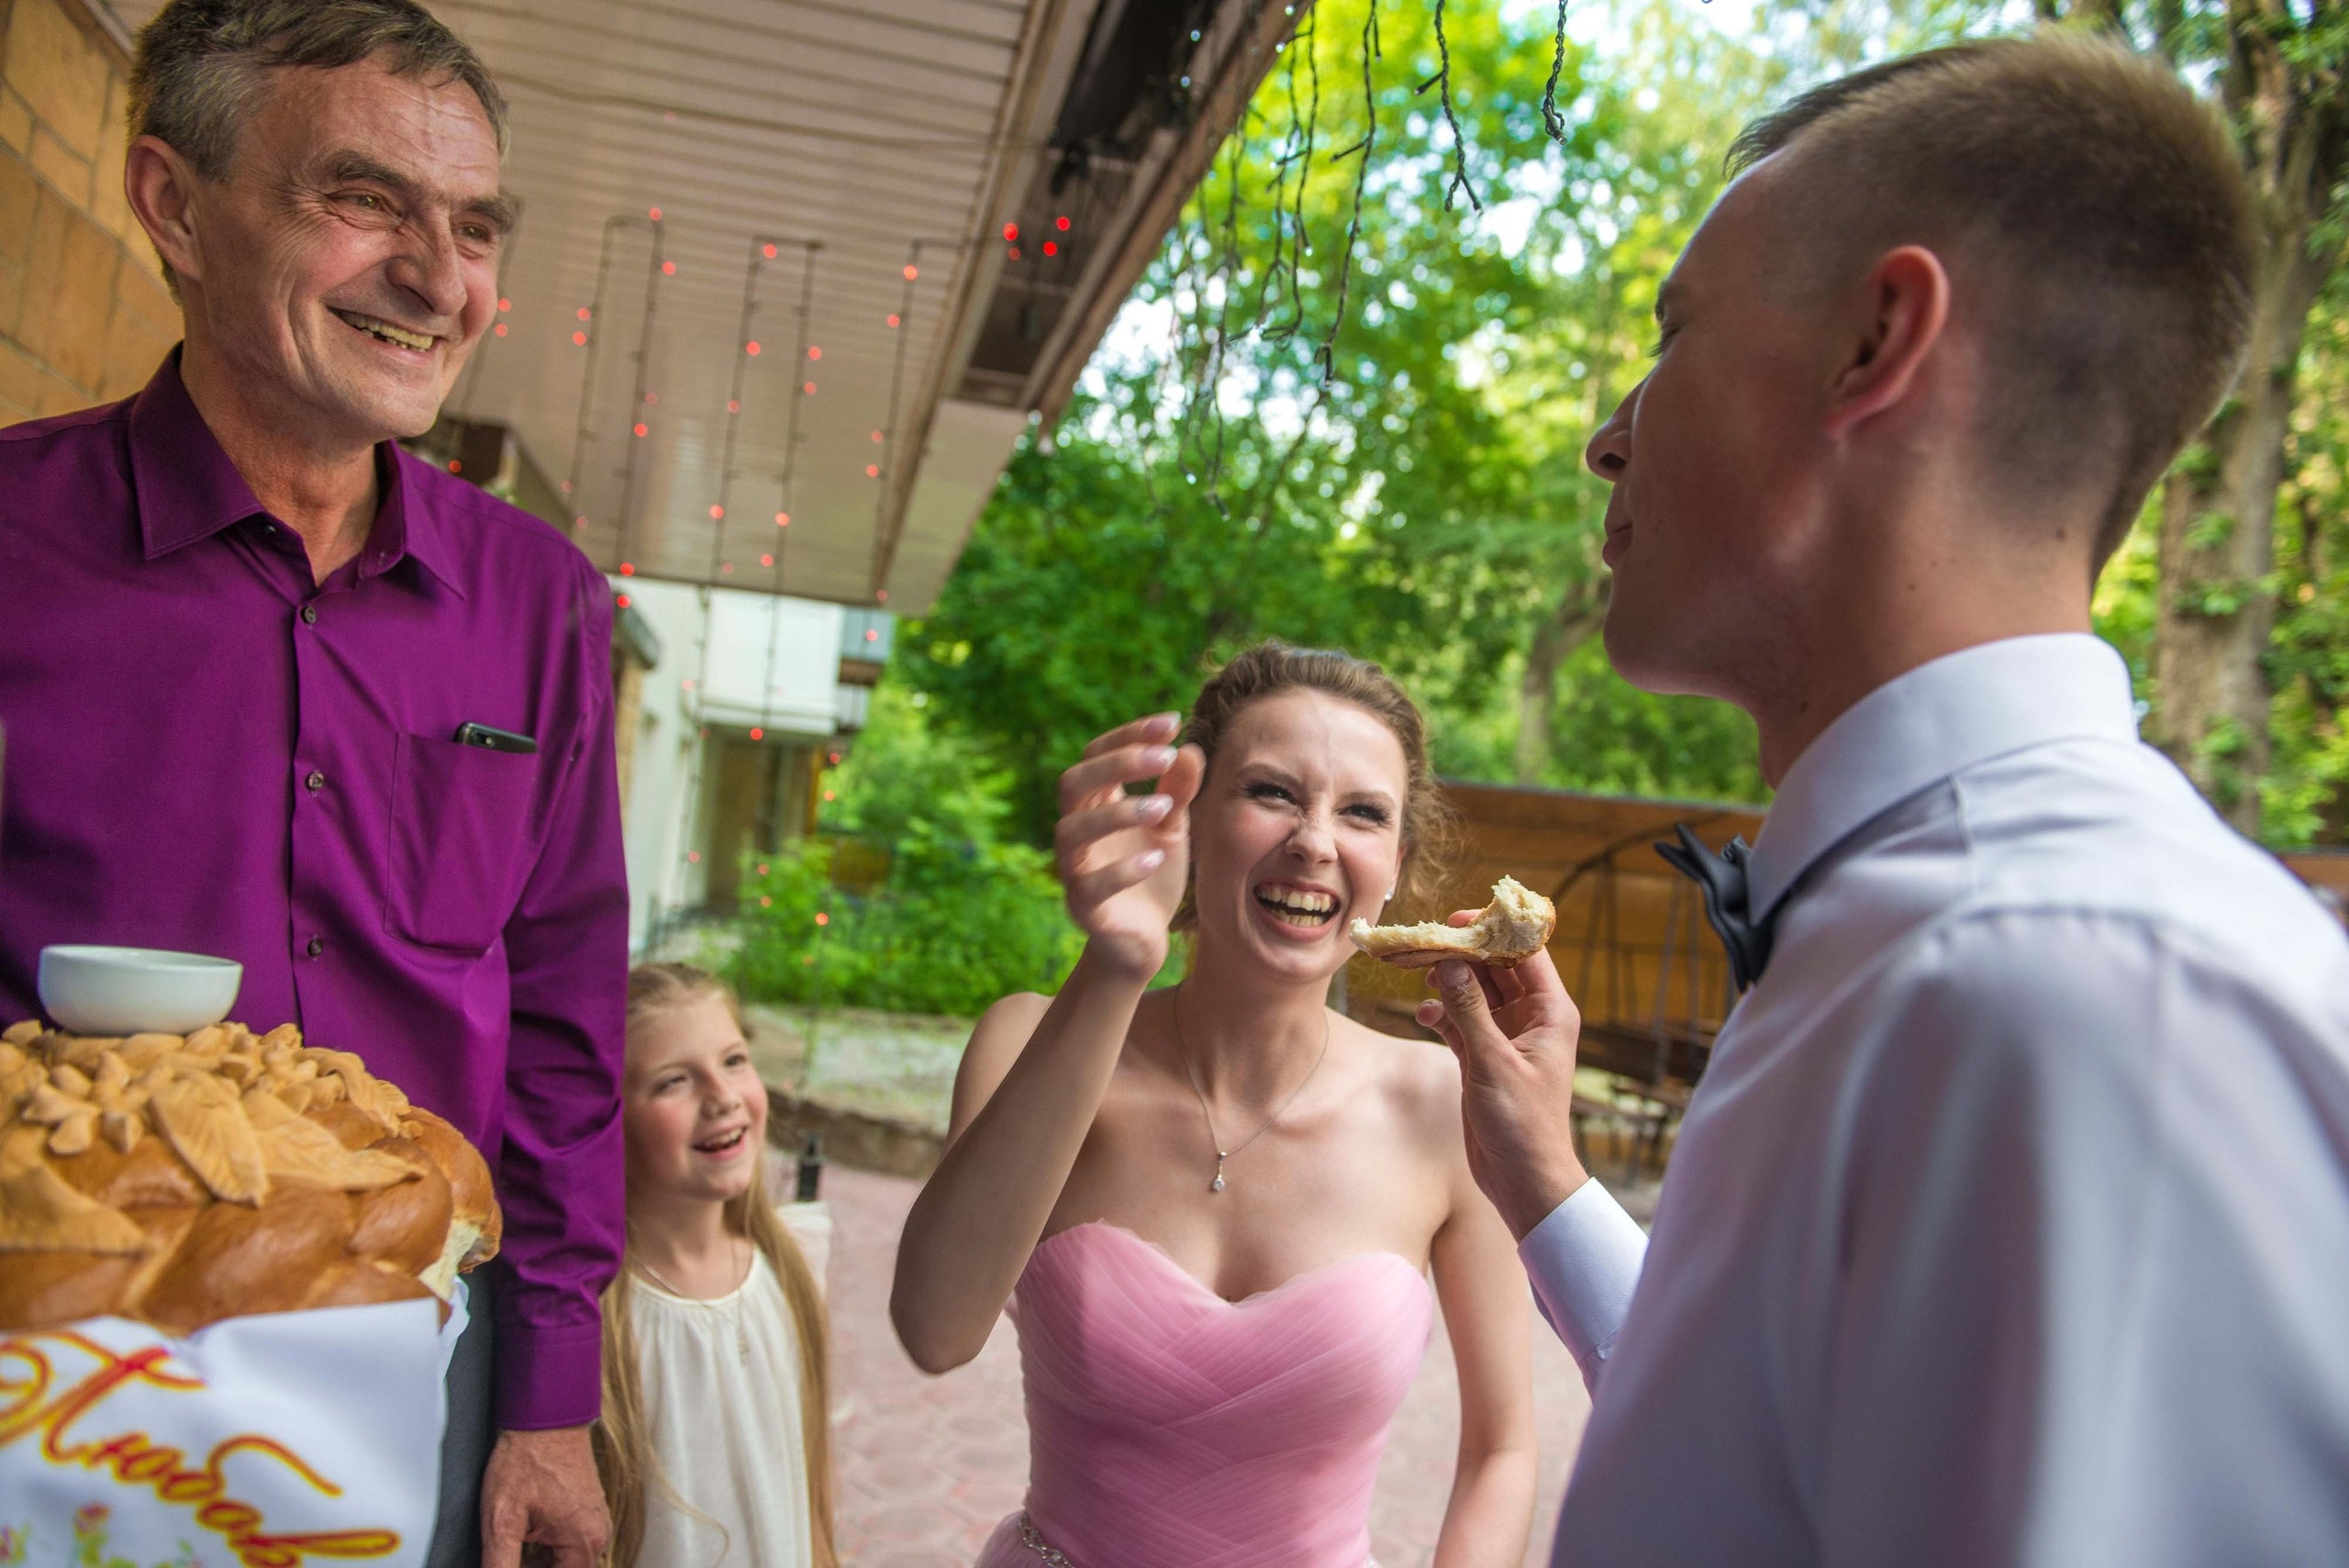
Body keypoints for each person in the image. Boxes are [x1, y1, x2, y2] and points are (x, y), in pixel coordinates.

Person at [1419, 32, 2349, 1567]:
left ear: (1877, 341)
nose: (1608, 433)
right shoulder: (1929, 942)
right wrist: (1550, 1184)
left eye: (1672, 333)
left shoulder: (2082, 1000)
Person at [0, 3, 626, 1562]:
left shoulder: (539, 599)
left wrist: (548, 1396)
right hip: (58, 1339)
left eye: (473, 223)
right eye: (363, 200)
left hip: (422, 1347)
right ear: (173, 205)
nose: (439, 276)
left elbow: (560, 1013)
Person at [893, 643, 1539, 1567]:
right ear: (1187, 824)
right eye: (1271, 791)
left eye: (1361, 811)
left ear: (1394, 862)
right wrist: (1117, 964)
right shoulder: (1027, 1040)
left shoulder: (1448, 1100)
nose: (1315, 838)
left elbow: (1504, 1448)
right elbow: (935, 1327)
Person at [596, 962, 837, 1567]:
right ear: (610, 1113)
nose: (723, 1096)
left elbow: (809, 1488)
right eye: (674, 1080)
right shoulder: (602, 1312)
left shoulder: (790, 1266)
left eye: (733, 1060)